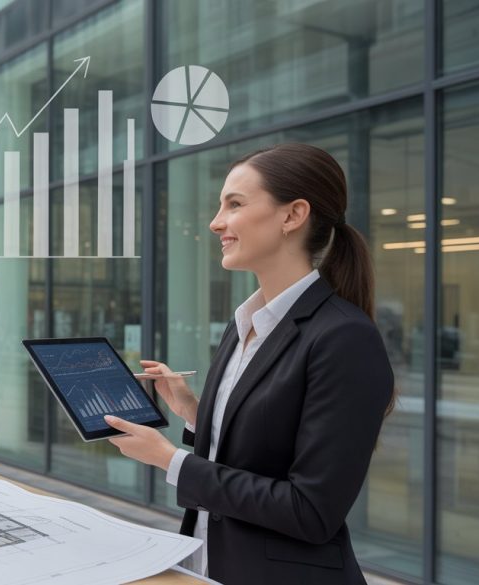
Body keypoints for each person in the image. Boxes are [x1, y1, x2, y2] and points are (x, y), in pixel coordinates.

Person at [104, 143, 394, 584]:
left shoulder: (344, 338)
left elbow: (311, 510)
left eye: (234, 204)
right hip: (211, 565)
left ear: (292, 215)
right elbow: (264, 451)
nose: (215, 221)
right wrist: (195, 412)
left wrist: (170, 460)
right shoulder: (244, 324)